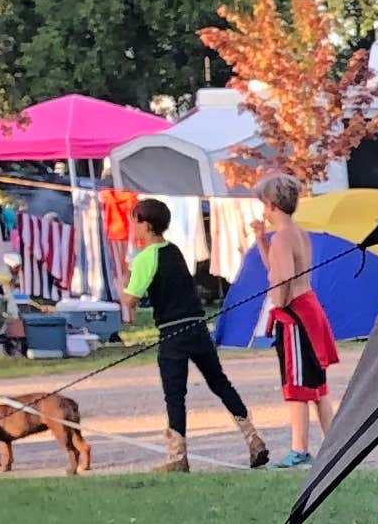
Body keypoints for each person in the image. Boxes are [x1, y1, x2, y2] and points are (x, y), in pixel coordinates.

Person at [128, 197, 267, 469]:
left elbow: (129, 300)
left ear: (145, 224)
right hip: (197, 327)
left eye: (134, 223)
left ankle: (178, 457)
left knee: (175, 395)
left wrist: (124, 282)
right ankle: (254, 439)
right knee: (220, 382)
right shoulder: (174, 250)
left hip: (172, 332)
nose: (133, 228)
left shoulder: (146, 257)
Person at [257, 182, 337, 463]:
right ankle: (335, 444)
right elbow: (276, 267)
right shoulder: (298, 233)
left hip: (294, 316)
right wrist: (260, 240)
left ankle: (299, 449)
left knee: (296, 387)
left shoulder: (282, 237)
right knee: (317, 387)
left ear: (271, 204)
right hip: (309, 309)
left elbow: (284, 277)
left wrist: (277, 303)